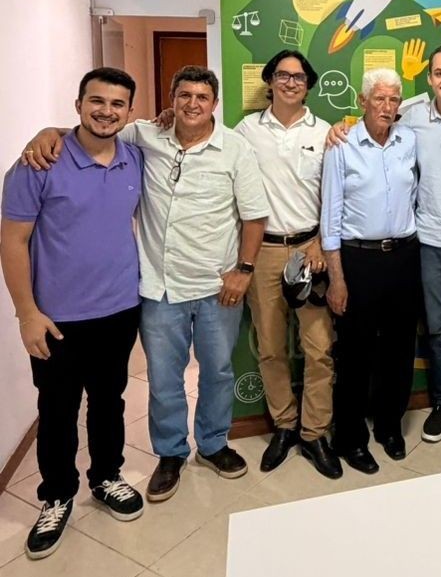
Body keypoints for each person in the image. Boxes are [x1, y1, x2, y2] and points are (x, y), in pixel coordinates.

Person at [22, 66, 270, 502]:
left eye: (202, 97)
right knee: (164, 378)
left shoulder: (236, 149)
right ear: (170, 100)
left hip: (217, 287)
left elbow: (254, 216)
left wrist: (243, 270)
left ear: (215, 104)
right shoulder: (144, 136)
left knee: (217, 371)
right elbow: (95, 128)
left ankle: (213, 444)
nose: (192, 104)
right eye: (184, 95)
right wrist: (48, 132)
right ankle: (171, 453)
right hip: (158, 288)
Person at [326, 44, 441, 447]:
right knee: (437, 330)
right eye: (440, 73)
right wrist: (338, 127)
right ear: (428, 78)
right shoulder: (409, 118)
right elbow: (372, 117)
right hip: (425, 244)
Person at [2, 68, 144, 559]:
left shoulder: (134, 158)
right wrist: (26, 314)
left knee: (109, 401)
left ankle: (106, 477)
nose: (106, 111)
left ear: (130, 111)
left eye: (117, 104)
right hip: (56, 318)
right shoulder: (38, 164)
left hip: (120, 308)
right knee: (57, 409)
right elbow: (12, 242)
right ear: (78, 103)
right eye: (96, 101)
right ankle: (57, 495)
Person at [234, 51, 341, 479]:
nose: (291, 82)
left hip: (311, 251)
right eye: (282, 75)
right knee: (271, 347)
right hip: (263, 253)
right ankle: (284, 425)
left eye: (298, 77)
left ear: (308, 85)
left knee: (319, 349)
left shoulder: (326, 132)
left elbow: (335, 193)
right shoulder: (246, 131)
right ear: (270, 81)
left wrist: (320, 243)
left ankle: (314, 433)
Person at [321, 68, 420, 472]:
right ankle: (349, 437)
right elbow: (330, 217)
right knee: (354, 352)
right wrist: (337, 278)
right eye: (379, 98)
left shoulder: (409, 140)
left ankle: (389, 426)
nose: (387, 106)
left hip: (404, 257)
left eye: (394, 99)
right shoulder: (341, 144)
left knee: (399, 348)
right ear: (362, 102)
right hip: (357, 259)